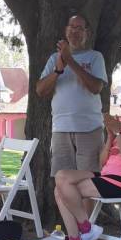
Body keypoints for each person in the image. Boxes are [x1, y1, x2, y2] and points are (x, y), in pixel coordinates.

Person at [54, 92, 121, 240]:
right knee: (61, 178)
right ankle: (81, 232)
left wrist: (117, 133)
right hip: (107, 176)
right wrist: (110, 137)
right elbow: (102, 162)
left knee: (62, 190)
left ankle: (80, 236)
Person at [36, 14, 107, 182]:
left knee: (89, 181)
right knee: (61, 180)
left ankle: (87, 210)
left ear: (86, 33)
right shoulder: (54, 59)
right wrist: (58, 70)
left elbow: (96, 87)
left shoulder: (95, 57)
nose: (75, 31)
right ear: (66, 31)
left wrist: (70, 60)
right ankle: (68, 210)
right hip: (61, 128)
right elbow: (40, 90)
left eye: (80, 28)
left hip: (89, 127)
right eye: (72, 27)